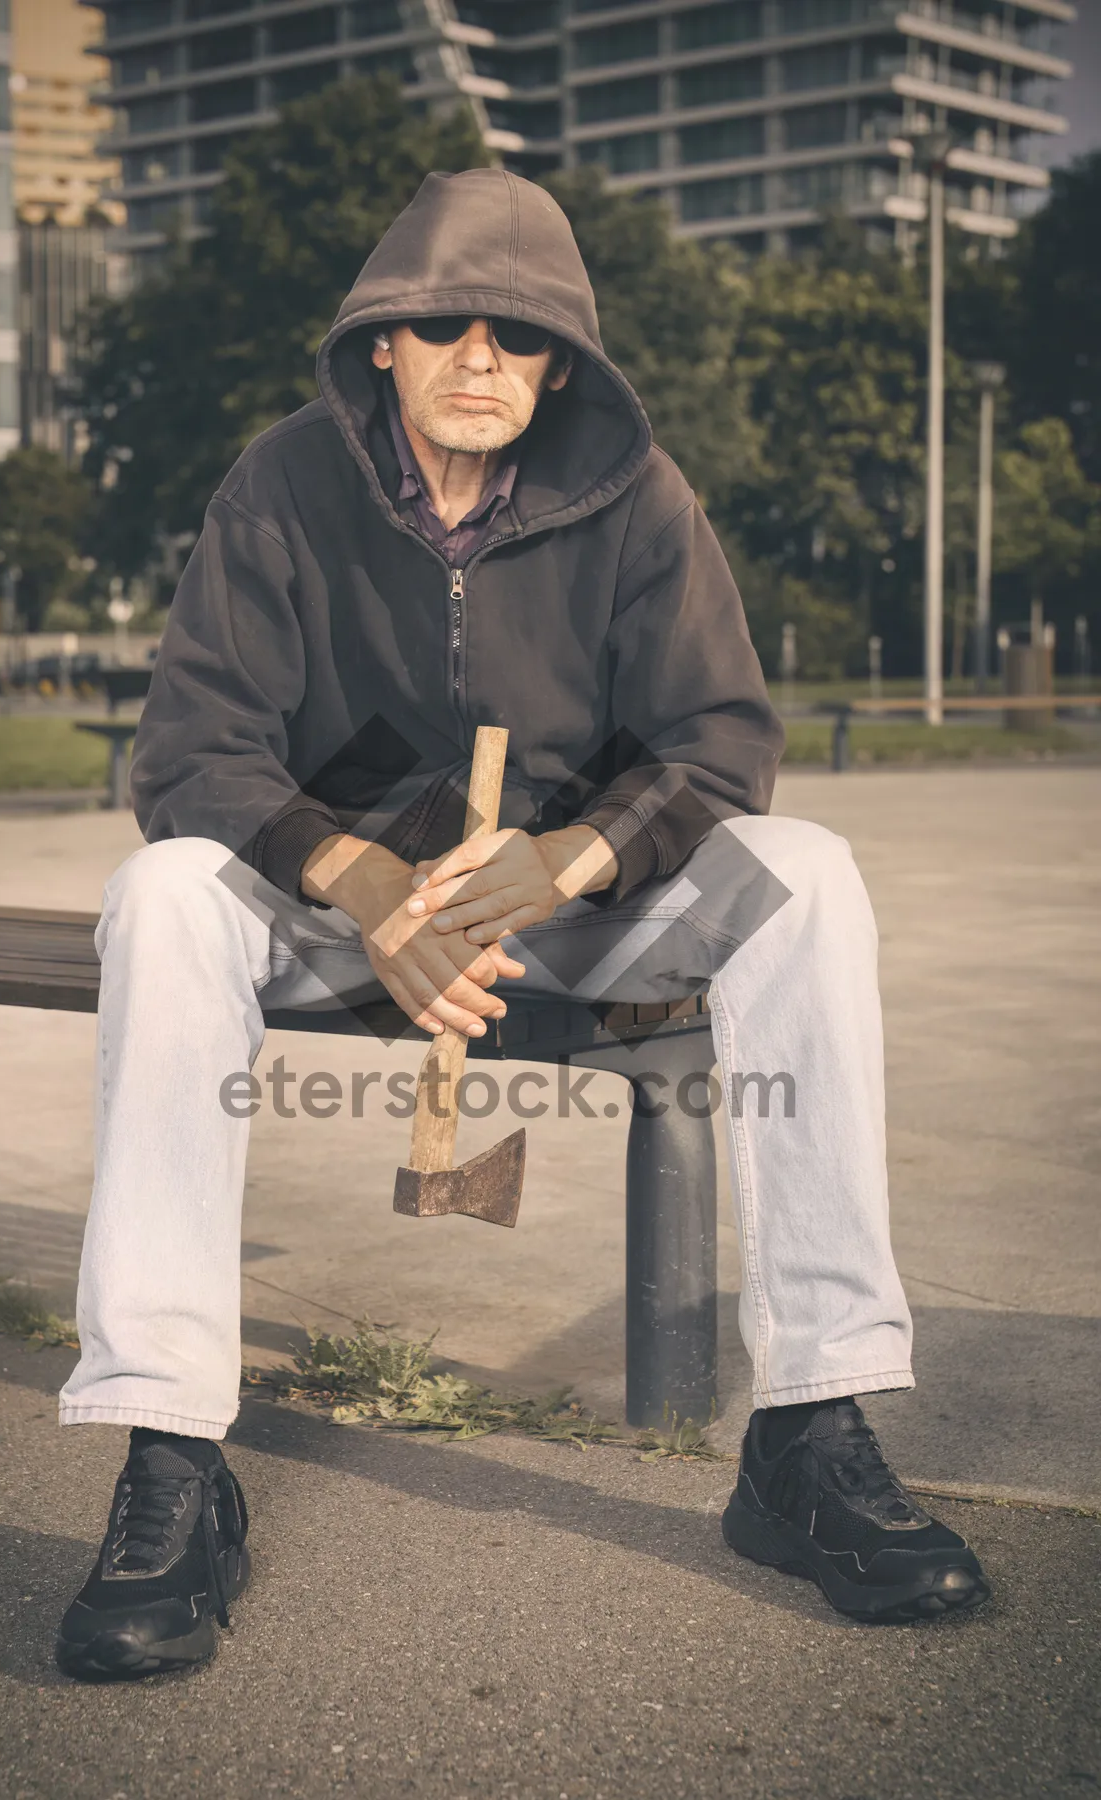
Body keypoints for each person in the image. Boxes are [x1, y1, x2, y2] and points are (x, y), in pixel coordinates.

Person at [54, 169, 989, 1680]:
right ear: (382, 344)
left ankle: (814, 1435)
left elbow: (720, 744)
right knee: (158, 894)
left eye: (519, 335)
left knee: (807, 869)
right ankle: (171, 1454)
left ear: (561, 365)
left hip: (575, 916)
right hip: (347, 923)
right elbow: (191, 752)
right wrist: (354, 875)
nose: (479, 358)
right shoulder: (283, 483)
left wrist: (574, 857)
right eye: (442, 326)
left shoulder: (638, 495)